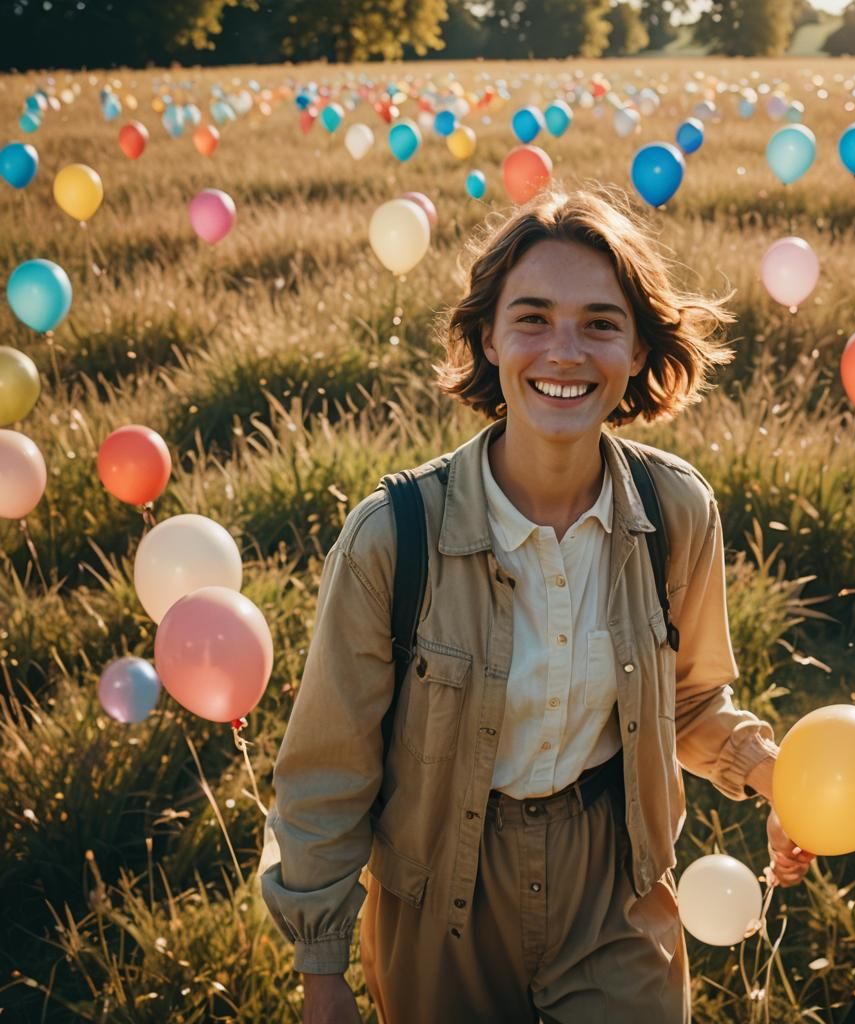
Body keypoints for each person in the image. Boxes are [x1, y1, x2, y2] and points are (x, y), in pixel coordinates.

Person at [259, 188, 815, 1024]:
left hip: (615, 883)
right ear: (489, 337)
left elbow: (690, 704)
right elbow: (330, 768)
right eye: (533, 318)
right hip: (439, 891)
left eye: (599, 322)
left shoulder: (676, 513)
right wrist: (321, 973)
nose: (565, 352)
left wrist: (773, 778)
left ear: (635, 349)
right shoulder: (393, 537)